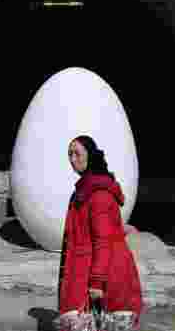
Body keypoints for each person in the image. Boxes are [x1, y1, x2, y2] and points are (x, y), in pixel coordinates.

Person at [54, 135, 143, 331]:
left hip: (100, 274)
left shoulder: (98, 193)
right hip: (85, 268)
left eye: (77, 153)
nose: (72, 159)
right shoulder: (86, 188)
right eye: (69, 154)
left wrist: (97, 281)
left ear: (90, 156)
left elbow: (102, 241)